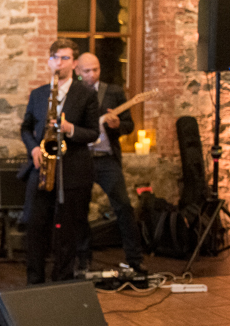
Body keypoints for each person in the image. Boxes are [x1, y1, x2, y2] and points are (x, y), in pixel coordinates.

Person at [19, 39, 100, 285]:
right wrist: (33, 148)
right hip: (41, 168)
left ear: (74, 64)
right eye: (56, 57)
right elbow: (25, 128)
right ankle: (34, 281)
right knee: (35, 225)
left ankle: (62, 281)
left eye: (65, 58)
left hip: (72, 171)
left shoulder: (86, 94)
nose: (60, 63)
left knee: (67, 231)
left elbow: (93, 133)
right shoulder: (39, 94)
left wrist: (69, 128)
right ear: (49, 61)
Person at [75, 52, 147, 274]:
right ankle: (83, 259)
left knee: (123, 206)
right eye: (87, 71)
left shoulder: (113, 92)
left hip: (106, 159)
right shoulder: (72, 93)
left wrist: (117, 125)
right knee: (79, 210)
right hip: (81, 159)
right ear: (78, 71)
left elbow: (129, 125)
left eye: (95, 70)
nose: (92, 75)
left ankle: (135, 259)